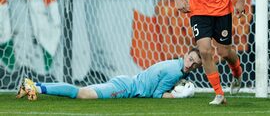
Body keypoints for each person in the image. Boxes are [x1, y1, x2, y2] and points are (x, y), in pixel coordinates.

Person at [16, 48, 202, 101]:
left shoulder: (176, 66)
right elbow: (156, 95)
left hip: (127, 83)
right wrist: (178, 96)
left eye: (195, 63)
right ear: (185, 55)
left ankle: (35, 85)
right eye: (190, 59)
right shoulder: (174, 71)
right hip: (125, 88)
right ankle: (35, 86)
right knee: (82, 94)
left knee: (82, 92)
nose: (191, 64)